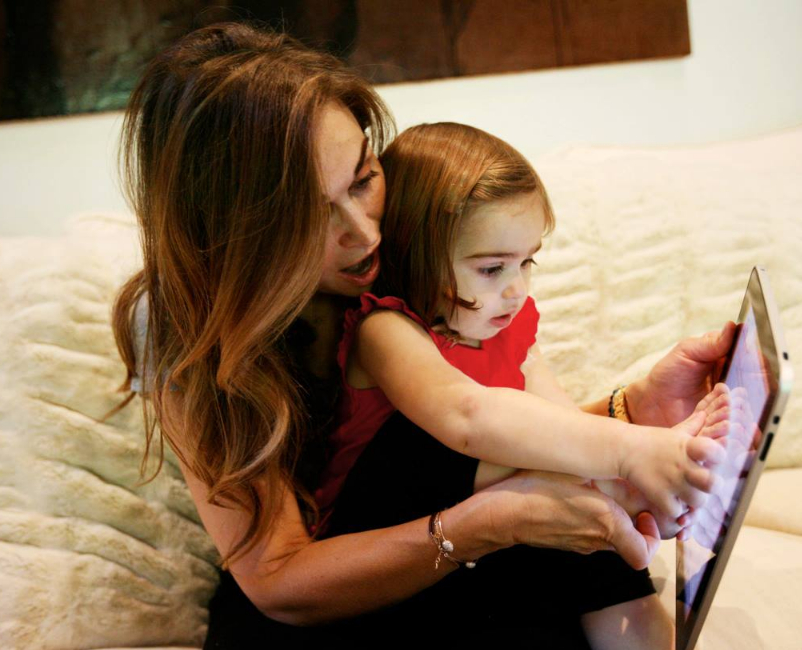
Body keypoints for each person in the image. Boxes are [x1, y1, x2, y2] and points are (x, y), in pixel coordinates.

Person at [107, 21, 738, 648]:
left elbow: (493, 431)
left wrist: (632, 412)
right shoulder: (181, 323)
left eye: (362, 180)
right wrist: (504, 517)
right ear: (233, 232)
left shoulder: (418, 259)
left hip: (438, 555)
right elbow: (281, 580)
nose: (363, 233)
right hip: (322, 605)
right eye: (309, 215)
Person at [307, 122, 724, 647]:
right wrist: (631, 453)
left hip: (470, 548)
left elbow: (560, 425)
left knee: (573, 501)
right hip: (381, 544)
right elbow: (467, 418)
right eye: (491, 268)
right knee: (460, 438)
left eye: (527, 261)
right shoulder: (384, 331)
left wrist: (610, 474)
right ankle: (630, 495)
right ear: (418, 254)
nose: (516, 289)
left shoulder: (514, 325)